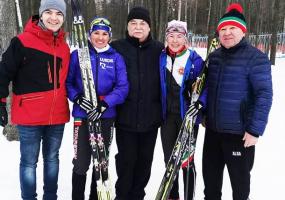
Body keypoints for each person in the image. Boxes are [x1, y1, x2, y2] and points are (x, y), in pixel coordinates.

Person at [0, 0, 70, 199]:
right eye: (49, 12)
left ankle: (51, 196)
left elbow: (67, 80)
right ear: (40, 14)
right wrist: (1, 101)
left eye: (59, 14)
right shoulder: (22, 42)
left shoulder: (64, 47)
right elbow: (4, 72)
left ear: (63, 18)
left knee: (52, 160)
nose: (54, 17)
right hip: (29, 116)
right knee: (29, 162)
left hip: (57, 116)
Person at [203, 3, 273, 200]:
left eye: (232, 28)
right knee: (211, 187)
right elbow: (206, 89)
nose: (227, 33)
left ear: (243, 31)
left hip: (240, 135)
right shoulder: (214, 58)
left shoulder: (256, 58)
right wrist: (203, 115)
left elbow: (264, 95)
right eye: (223, 29)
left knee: (240, 188)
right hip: (213, 133)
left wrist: (254, 130)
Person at [66, 17, 129, 200]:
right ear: (89, 34)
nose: (100, 38)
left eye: (104, 34)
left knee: (100, 162)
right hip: (82, 116)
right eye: (96, 33)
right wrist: (77, 97)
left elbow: (123, 87)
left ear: (109, 36)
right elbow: (68, 83)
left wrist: (105, 103)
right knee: (80, 162)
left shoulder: (116, 58)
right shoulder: (78, 55)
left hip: (106, 116)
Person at [111, 6, 164, 200]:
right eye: (133, 23)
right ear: (127, 26)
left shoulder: (159, 50)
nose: (138, 27)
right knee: (126, 161)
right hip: (125, 118)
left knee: (144, 163)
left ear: (149, 27)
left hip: (151, 119)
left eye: (143, 23)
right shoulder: (117, 47)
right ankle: (122, 195)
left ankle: (137, 196)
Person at [159, 20, 205, 200]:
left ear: (185, 38)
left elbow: (206, 85)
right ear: (166, 38)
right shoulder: (162, 57)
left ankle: (188, 196)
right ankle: (173, 195)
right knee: (170, 160)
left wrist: (200, 102)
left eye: (179, 36)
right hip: (167, 118)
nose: (175, 40)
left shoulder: (194, 59)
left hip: (187, 118)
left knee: (186, 161)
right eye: (171, 36)